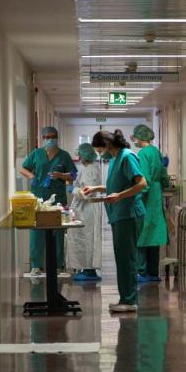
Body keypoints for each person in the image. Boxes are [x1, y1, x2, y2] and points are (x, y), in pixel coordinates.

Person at [80, 130, 146, 313]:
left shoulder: (127, 157)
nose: (100, 154)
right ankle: (126, 298)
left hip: (129, 214)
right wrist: (97, 188)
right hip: (120, 214)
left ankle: (130, 301)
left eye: (100, 151)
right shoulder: (116, 159)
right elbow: (117, 184)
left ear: (108, 145)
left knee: (127, 259)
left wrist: (120, 196)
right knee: (122, 258)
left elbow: (141, 184)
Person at [18, 126, 77, 278]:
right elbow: (23, 168)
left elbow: (73, 175)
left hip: (58, 199)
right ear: (43, 138)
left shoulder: (64, 155)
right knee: (36, 232)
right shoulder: (37, 153)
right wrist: (32, 177)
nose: (50, 139)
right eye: (47, 137)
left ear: (57, 137)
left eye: (53, 136)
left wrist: (61, 175)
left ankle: (57, 266)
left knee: (58, 232)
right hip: (39, 197)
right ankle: (36, 266)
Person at [132, 124, 169, 283]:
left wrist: (136, 196)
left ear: (139, 138)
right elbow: (163, 175)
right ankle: (153, 272)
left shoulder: (143, 153)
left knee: (142, 235)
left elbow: (144, 179)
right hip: (156, 195)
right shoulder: (155, 151)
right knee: (153, 236)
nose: (135, 140)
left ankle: (142, 271)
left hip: (146, 198)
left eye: (135, 137)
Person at [69, 143, 104, 282]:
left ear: (86, 155)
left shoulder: (89, 170)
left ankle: (89, 270)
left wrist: (73, 190)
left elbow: (87, 193)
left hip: (86, 209)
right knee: (85, 238)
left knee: (87, 239)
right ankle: (87, 269)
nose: (79, 158)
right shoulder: (89, 168)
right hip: (86, 209)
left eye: (80, 155)